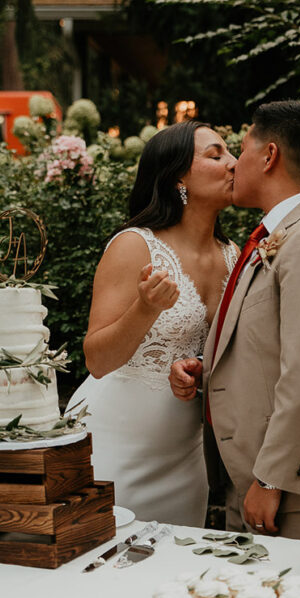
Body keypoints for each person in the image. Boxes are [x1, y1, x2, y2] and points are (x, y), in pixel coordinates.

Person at [169, 100, 300, 539]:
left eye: (240, 150)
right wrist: (209, 371)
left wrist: (271, 479)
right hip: (258, 482)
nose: (235, 164)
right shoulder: (278, 235)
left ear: (269, 155)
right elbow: (270, 344)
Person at [67, 121, 238, 526]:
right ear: (178, 175)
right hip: (116, 445)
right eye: (216, 155)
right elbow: (97, 360)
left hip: (183, 454)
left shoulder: (233, 254)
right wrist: (145, 307)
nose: (234, 164)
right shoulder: (135, 245)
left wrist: (198, 370)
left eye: (230, 153)